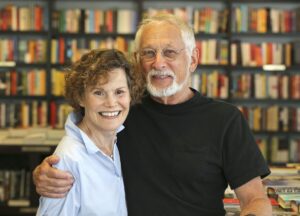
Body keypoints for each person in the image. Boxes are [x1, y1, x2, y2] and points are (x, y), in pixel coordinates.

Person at [33, 14, 272, 216]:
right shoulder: (119, 111)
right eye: (149, 53)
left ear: (193, 59)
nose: (159, 63)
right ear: (137, 61)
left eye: (169, 52)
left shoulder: (225, 119)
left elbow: (255, 200)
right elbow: (80, 144)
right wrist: (46, 171)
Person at [36, 49, 144, 215]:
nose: (111, 103)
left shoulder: (117, 142)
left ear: (130, 95)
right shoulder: (67, 161)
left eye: (119, 92)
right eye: (99, 92)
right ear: (80, 97)